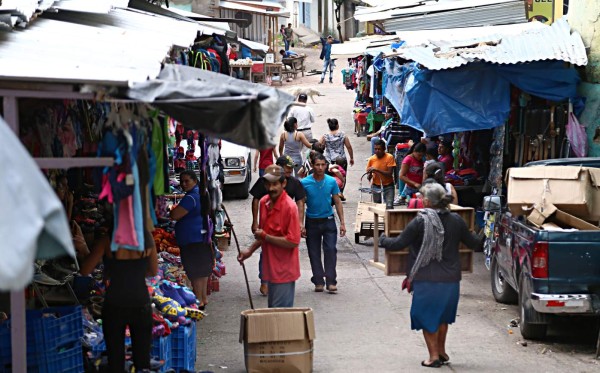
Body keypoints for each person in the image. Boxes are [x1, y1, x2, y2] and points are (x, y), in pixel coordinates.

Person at [379, 183, 480, 368]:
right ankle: (441, 351)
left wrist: (382, 239)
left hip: (427, 279)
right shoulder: (457, 221)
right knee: (442, 316)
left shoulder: (420, 221)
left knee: (426, 317)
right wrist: (487, 233)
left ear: (426, 201)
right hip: (450, 279)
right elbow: (474, 243)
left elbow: (398, 243)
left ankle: (433, 357)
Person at [81, 224, 158, 372]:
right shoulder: (146, 238)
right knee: (143, 361)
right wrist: (134, 272)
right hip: (140, 301)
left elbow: (85, 270)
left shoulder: (107, 240)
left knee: (115, 360)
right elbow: (153, 271)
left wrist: (84, 249)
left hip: (115, 303)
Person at [238, 165, 301, 308]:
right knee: (273, 312)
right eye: (268, 184)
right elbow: (263, 233)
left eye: (275, 184)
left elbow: (293, 241)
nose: (271, 188)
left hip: (284, 270)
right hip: (270, 267)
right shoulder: (264, 202)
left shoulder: (290, 208)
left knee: (279, 316)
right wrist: (250, 250)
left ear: (283, 184)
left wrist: (266, 236)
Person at [250, 155, 306, 296]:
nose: (289, 173)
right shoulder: (266, 192)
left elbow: (300, 202)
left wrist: (300, 222)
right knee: (265, 253)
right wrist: (255, 221)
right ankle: (264, 281)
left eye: (290, 170)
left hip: (285, 232)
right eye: (287, 170)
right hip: (268, 230)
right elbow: (256, 199)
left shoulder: (292, 191)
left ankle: (277, 281)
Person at [300, 154, 346, 293]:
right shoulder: (304, 183)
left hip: (328, 221)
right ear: (312, 166)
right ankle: (318, 280)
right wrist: (300, 224)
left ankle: (331, 281)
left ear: (326, 165)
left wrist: (343, 222)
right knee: (313, 252)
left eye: (322, 165)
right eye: (317, 165)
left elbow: (337, 201)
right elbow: (301, 203)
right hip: (311, 221)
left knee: (331, 250)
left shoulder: (332, 181)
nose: (320, 168)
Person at [169, 170, 213, 309]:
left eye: (187, 181)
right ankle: (203, 298)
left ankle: (198, 300)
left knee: (195, 271)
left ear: (195, 181)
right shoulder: (201, 194)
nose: (183, 184)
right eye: (181, 181)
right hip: (201, 237)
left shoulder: (191, 198)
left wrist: (171, 210)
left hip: (192, 240)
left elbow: (175, 215)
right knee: (202, 270)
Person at [367, 140, 397, 209]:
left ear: (384, 149)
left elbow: (389, 174)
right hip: (376, 186)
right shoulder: (372, 159)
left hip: (388, 185)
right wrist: (370, 174)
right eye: (375, 149)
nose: (377, 151)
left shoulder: (389, 157)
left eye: (379, 149)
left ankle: (389, 220)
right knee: (377, 207)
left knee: (389, 206)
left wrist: (377, 170)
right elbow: (369, 177)